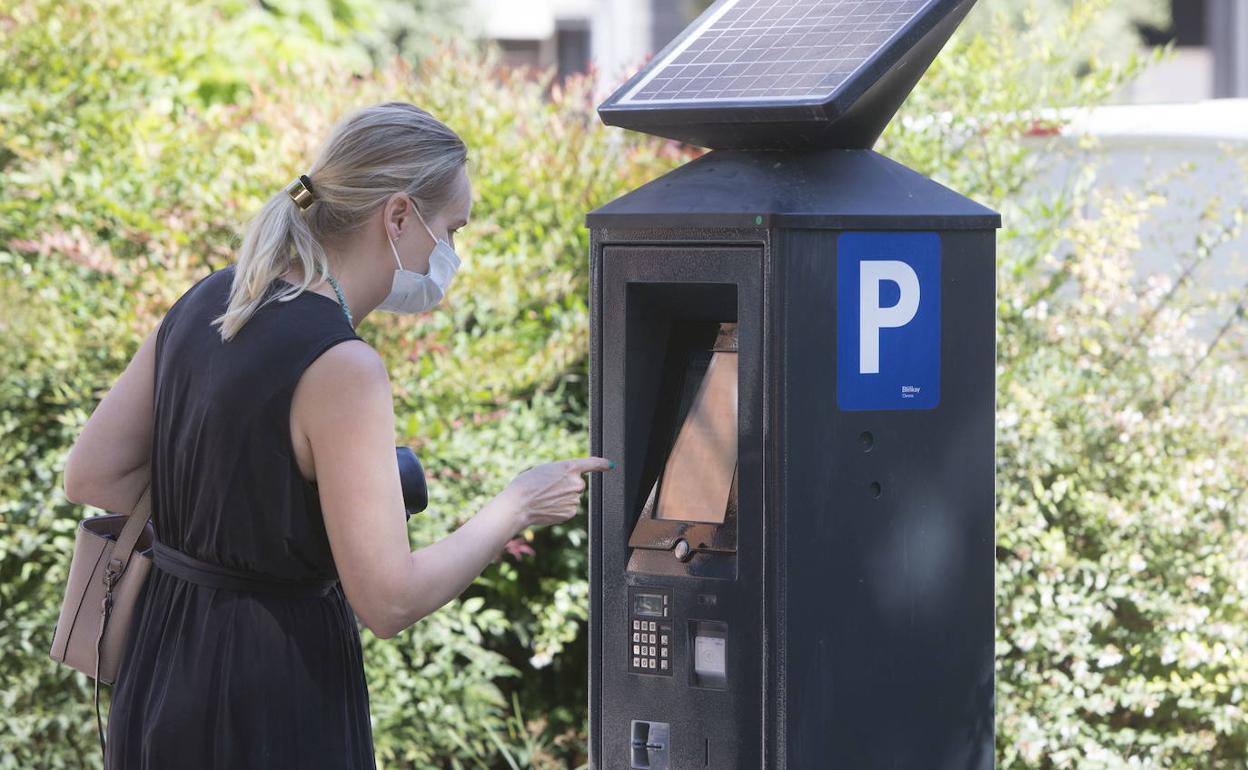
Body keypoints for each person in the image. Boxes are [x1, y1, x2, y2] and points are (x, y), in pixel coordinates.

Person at [61, 100, 613, 769]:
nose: (453, 253)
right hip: (269, 688)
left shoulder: (214, 298)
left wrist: (238, 505)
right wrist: (516, 506)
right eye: (451, 228)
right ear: (400, 215)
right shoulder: (344, 367)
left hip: (160, 663)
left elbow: (90, 474)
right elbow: (390, 599)